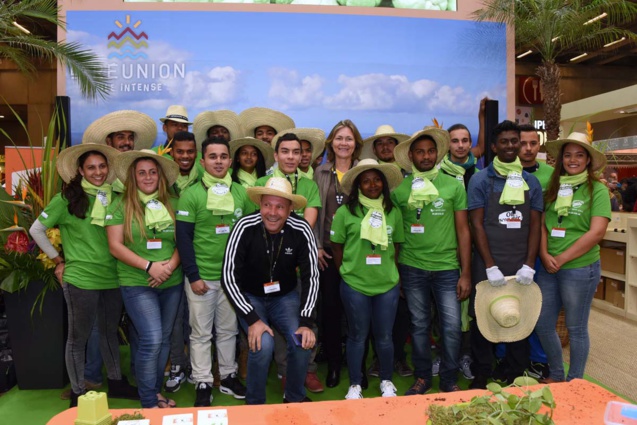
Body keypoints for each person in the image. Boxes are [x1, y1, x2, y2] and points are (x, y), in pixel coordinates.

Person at [29, 143, 138, 407]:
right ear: (80, 170)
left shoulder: (115, 195)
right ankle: (78, 393)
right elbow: (36, 229)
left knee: (109, 333)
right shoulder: (67, 198)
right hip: (81, 280)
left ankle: (116, 382)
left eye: (102, 166)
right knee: (78, 339)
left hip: (113, 277)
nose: (98, 172)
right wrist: (58, 260)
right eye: (91, 167)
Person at [221, 177, 319, 404]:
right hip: (251, 297)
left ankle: (294, 398)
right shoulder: (244, 226)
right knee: (262, 344)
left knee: (301, 342)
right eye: (267, 205)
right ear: (260, 204)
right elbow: (228, 276)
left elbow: (312, 276)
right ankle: (254, 404)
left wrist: (306, 321)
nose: (272, 212)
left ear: (290, 209)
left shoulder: (301, 229)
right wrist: (252, 319)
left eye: (280, 206)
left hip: (284, 297)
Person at [391, 127, 471, 394]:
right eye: (420, 151)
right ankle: (423, 377)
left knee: (450, 327)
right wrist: (397, 272)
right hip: (411, 268)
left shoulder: (452, 185)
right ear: (411, 156)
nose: (426, 156)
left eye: (430, 151)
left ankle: (449, 379)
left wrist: (466, 273)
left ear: (437, 154)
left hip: (447, 268)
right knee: (419, 325)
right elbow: (395, 236)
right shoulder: (400, 189)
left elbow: (463, 230)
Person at [175, 137, 253, 407]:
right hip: (202, 278)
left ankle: (229, 376)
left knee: (229, 331)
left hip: (232, 280)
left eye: (223, 156)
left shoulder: (242, 193)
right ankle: (203, 380)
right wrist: (193, 276)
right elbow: (183, 239)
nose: (218, 161)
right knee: (200, 333)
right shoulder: (191, 194)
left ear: (230, 161)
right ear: (202, 161)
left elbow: (250, 235)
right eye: (213, 157)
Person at [467, 120, 543, 389]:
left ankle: (514, 371)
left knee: (518, 316)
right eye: (506, 141)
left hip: (520, 263)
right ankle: (481, 372)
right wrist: (489, 265)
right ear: (494, 146)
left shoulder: (530, 182)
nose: (511, 146)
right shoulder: (480, 179)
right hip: (487, 264)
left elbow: (535, 225)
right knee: (482, 318)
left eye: (516, 141)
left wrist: (529, 264)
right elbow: (476, 224)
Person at [105, 149, 183, 409]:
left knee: (163, 337)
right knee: (151, 338)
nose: (148, 177)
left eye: (152, 172)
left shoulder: (174, 202)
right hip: (137, 282)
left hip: (170, 282)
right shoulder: (119, 205)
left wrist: (169, 266)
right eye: (142, 173)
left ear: (159, 175)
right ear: (133, 177)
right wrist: (149, 266)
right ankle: (149, 400)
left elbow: (184, 240)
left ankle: (154, 391)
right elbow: (115, 246)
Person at [535, 132, 611, 382]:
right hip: (549, 266)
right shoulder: (554, 188)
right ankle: (557, 374)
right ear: (561, 160)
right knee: (543, 324)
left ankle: (575, 381)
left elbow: (597, 231)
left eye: (579, 155)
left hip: (580, 268)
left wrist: (563, 258)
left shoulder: (597, 189)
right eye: (568, 155)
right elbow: (544, 225)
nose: (573, 160)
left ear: (588, 160)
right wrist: (544, 254)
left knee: (576, 329)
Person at [330, 159, 404, 399]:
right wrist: (346, 272)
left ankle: (386, 381)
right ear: (357, 185)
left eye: (377, 179)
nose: (372, 185)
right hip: (355, 285)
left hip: (386, 285)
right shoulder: (345, 212)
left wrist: (390, 271)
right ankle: (355, 385)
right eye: (366, 180)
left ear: (383, 183)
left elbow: (398, 247)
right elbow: (337, 246)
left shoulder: (393, 212)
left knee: (384, 337)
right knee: (356, 336)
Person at [313, 119, 364, 388]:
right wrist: (317, 246)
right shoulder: (319, 173)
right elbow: (312, 212)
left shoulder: (366, 171)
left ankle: (359, 366)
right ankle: (333, 365)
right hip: (328, 254)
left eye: (349, 138)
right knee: (331, 313)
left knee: (358, 313)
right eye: (339, 138)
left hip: (359, 255)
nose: (344, 143)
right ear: (331, 143)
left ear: (356, 143)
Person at [163, 131, 200, 394]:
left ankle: (199, 368)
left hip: (202, 264)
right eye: (180, 152)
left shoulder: (204, 180)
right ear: (171, 152)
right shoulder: (162, 182)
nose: (185, 156)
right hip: (171, 264)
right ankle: (177, 364)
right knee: (175, 319)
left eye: (190, 152)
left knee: (197, 321)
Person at [255, 133, 321, 228]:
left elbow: (308, 225)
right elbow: (258, 220)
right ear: (276, 156)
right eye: (285, 152)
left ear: (300, 157)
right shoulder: (261, 183)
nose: (290, 157)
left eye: (296, 152)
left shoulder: (311, 185)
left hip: (299, 239)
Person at [440, 97, 488, 188]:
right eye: (455, 141)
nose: (460, 145)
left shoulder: (479, 175)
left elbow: (481, 147)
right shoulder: (439, 167)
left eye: (465, 140)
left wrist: (481, 115)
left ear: (470, 143)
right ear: (447, 144)